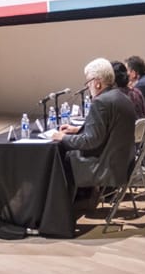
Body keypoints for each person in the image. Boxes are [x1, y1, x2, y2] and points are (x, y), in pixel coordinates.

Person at [51, 58, 136, 192]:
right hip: (124, 164)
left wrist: (63, 138)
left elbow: (91, 141)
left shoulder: (101, 102)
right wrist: (78, 129)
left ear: (97, 83)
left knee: (58, 159)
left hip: (105, 168)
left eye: (88, 82)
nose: (87, 86)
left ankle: (62, 209)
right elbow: (110, 129)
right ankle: (82, 200)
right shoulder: (122, 97)